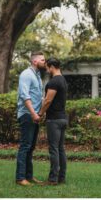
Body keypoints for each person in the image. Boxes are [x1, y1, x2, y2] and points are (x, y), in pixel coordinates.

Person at [16, 51, 46, 186]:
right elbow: (24, 95)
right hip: (27, 115)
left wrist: (40, 112)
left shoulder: (38, 75)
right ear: (35, 61)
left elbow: (37, 97)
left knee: (31, 147)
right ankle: (20, 178)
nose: (45, 63)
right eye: (43, 60)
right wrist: (33, 113)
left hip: (34, 115)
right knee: (25, 146)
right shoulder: (26, 75)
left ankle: (29, 176)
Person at [38, 57, 68, 185]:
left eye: (47, 68)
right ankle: (61, 177)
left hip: (54, 120)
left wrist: (40, 113)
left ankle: (52, 179)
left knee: (54, 149)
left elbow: (48, 100)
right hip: (62, 118)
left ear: (51, 67)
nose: (47, 70)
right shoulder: (63, 80)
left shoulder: (54, 82)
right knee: (60, 149)